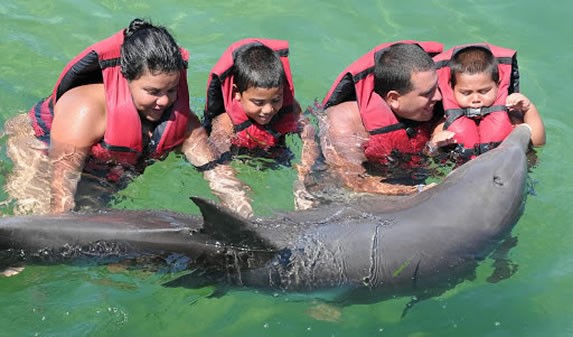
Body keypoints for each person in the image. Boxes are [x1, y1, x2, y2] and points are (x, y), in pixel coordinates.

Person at [3, 18, 253, 218]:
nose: (164, 101)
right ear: (125, 79)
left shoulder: (183, 123)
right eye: (153, 91)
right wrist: (57, 224)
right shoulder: (86, 109)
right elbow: (62, 180)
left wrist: (243, 212)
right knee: (38, 211)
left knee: (98, 230)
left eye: (171, 90)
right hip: (41, 147)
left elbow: (216, 173)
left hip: (102, 169)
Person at [309, 41, 452, 196]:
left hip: (404, 174)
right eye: (427, 93)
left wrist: (434, 142)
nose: (438, 96)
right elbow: (353, 181)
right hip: (341, 189)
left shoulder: (433, 102)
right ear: (394, 98)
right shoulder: (346, 122)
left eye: (436, 87)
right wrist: (417, 191)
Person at [432, 44, 545, 161]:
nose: (475, 99)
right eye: (466, 93)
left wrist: (528, 109)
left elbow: (538, 143)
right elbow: (431, 156)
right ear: (452, 89)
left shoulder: (510, 116)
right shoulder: (445, 125)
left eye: (484, 91)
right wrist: (434, 145)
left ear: (497, 85)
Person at [203, 38, 306, 163]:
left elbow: (308, 131)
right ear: (237, 93)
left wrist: (309, 159)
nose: (268, 109)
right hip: (242, 159)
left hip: (278, 153)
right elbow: (216, 156)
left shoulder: (292, 107)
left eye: (276, 100)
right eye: (258, 102)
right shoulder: (226, 122)